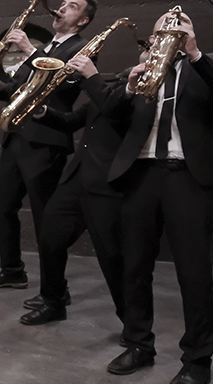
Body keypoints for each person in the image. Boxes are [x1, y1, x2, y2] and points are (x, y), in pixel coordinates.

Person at [103, 10, 213, 384]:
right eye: (160, 29)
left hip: (188, 177)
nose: (167, 33)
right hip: (141, 173)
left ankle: (197, 360)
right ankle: (138, 344)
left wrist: (195, 52)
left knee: (193, 272)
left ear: (189, 33)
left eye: (176, 28)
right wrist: (129, 88)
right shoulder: (141, 69)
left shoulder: (212, 62)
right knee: (134, 265)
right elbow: (111, 115)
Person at [0, 0, 97, 290]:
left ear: (82, 20)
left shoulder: (83, 49)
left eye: (71, 7)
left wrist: (30, 48)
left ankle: (54, 288)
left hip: (46, 141)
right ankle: (12, 270)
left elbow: (63, 83)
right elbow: (13, 90)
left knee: (46, 217)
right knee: (3, 206)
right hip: (16, 136)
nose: (61, 9)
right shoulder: (46, 48)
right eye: (63, 4)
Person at [18, 54, 130, 326]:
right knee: (50, 237)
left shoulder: (137, 91)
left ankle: (133, 326)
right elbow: (72, 120)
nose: (146, 49)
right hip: (77, 177)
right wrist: (42, 112)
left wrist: (92, 76)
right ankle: (53, 301)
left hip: (107, 183)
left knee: (112, 256)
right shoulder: (112, 86)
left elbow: (116, 110)